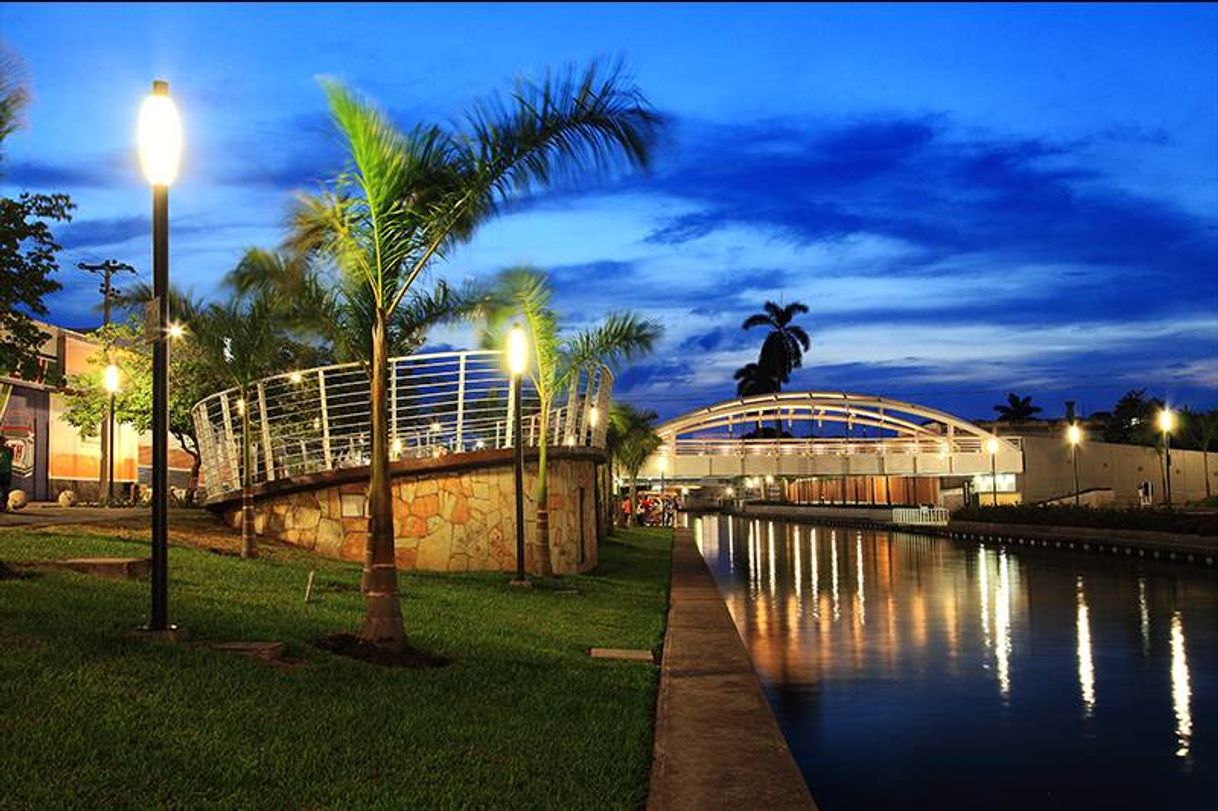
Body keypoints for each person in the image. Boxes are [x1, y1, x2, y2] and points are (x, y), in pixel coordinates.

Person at [0, 434, 13, 512]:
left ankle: (4, 506)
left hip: (6, 472)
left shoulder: (9, 450)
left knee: (5, 490)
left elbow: (10, 459)